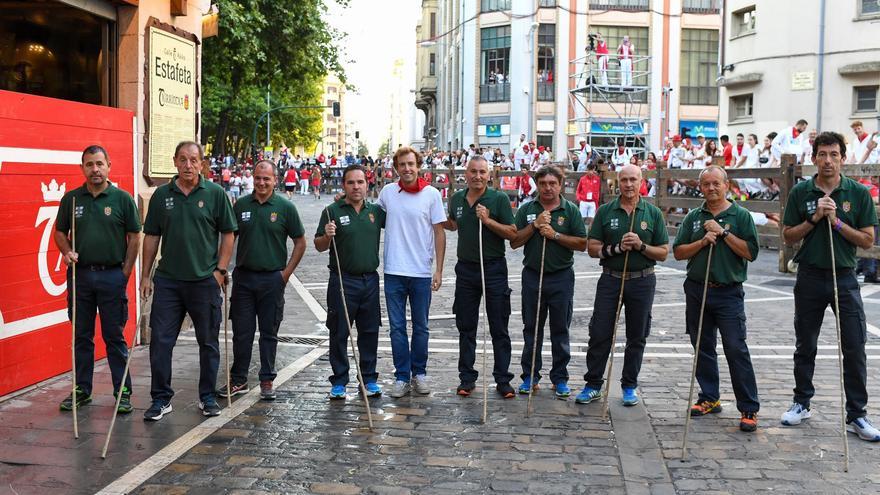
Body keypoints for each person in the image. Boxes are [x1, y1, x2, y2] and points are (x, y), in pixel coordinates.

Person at [779, 131, 880, 441]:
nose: (827, 160)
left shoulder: (857, 193)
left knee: (854, 344)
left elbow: (867, 239)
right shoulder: (801, 192)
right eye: (822, 154)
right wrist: (814, 219)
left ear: (842, 158)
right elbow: (788, 236)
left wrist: (836, 223)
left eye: (833, 154)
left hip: (845, 276)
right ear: (813, 158)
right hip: (810, 274)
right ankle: (801, 402)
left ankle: (857, 414)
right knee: (805, 342)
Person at [140, 141, 237, 420]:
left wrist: (220, 271)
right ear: (174, 162)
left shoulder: (216, 194)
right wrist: (145, 275)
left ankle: (207, 397)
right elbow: (152, 237)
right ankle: (161, 398)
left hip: (204, 280)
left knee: (208, 343)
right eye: (182, 159)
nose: (188, 165)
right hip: (169, 281)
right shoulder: (161, 195)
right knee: (161, 341)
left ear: (202, 163)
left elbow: (228, 233)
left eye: (194, 160)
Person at [672, 165, 761, 432]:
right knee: (702, 345)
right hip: (698, 288)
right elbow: (678, 253)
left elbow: (750, 253)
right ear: (700, 187)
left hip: (728, 291)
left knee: (736, 348)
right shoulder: (693, 217)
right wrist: (702, 241)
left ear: (726, 185)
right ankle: (709, 397)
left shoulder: (741, 215)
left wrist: (723, 233)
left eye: (716, 184)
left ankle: (749, 407)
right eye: (706, 184)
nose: (711, 188)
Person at [54, 145, 141, 414]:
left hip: (112, 276)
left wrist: (125, 272)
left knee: (114, 336)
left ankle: (122, 391)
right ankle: (82, 389)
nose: (95, 169)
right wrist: (67, 251)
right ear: (82, 168)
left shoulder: (122, 199)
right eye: (89, 164)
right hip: (80, 277)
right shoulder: (72, 200)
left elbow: (135, 236)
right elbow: (59, 232)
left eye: (100, 164)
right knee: (82, 335)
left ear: (109, 166)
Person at [576, 165, 668, 407]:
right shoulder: (606, 211)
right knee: (600, 332)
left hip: (642, 280)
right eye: (624, 180)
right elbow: (592, 248)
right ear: (618, 183)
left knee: (637, 335)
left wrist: (640, 246)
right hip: (611, 278)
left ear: (641, 182)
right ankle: (593, 383)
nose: (629, 184)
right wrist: (616, 248)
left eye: (633, 180)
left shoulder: (653, 213)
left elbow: (663, 253)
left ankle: (629, 385)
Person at [220, 161, 306, 401]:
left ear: (275, 180)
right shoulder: (241, 206)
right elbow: (229, 238)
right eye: (258, 178)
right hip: (244, 279)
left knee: (269, 332)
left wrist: (286, 274)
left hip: (272, 279)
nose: (261, 183)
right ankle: (238, 380)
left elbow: (300, 242)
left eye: (266, 179)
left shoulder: (285, 207)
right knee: (242, 332)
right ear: (252, 179)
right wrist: (222, 268)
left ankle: (267, 379)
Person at [443, 156, 517, 398]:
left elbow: (512, 233)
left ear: (490, 174)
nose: (477, 176)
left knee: (498, 325)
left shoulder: (499, 199)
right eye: (473, 171)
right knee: (466, 326)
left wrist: (488, 220)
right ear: (466, 172)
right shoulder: (456, 199)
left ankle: (503, 379)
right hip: (465, 269)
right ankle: (467, 378)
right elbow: (453, 224)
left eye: (482, 172)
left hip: (493, 268)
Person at [511, 166, 588, 398]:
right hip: (533, 275)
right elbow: (514, 242)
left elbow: (582, 243)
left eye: (552, 183)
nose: (547, 188)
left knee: (560, 328)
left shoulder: (570, 210)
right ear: (537, 184)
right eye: (543, 183)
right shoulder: (528, 209)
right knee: (531, 328)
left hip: (561, 276)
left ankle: (560, 377)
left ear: (560, 185)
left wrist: (554, 235)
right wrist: (534, 227)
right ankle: (530, 376)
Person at [378, 146, 447, 398]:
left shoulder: (431, 195)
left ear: (419, 166)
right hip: (393, 270)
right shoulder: (387, 193)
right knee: (396, 327)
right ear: (396, 168)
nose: (407, 169)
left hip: (420, 271)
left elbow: (439, 233)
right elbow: (373, 219)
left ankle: (419, 373)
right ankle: (401, 375)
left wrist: (438, 269)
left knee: (421, 327)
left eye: (411, 164)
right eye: (402, 165)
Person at [316, 165, 385, 399]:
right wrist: (327, 235)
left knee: (369, 331)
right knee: (338, 332)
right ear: (343, 185)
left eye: (360, 182)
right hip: (342, 280)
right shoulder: (331, 211)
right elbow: (319, 245)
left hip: (370, 281)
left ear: (367, 184)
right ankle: (339, 380)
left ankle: (368, 379)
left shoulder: (376, 212)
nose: (356, 187)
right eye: (351, 183)